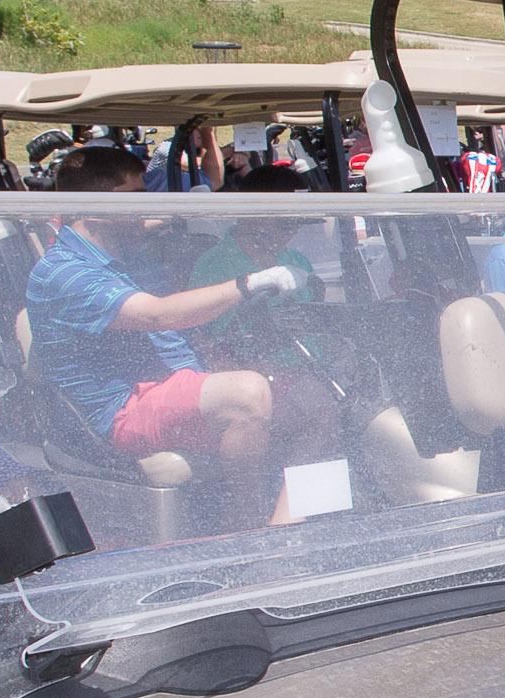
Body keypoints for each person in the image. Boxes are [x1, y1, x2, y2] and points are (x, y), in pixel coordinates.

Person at [25, 143, 317, 491]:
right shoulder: (64, 272)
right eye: (135, 197)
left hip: (166, 382)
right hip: (120, 410)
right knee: (248, 392)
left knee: (312, 397)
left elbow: (146, 228)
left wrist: (183, 211)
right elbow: (157, 317)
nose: (146, 206)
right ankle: (247, 530)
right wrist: (249, 283)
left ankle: (286, 522)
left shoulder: (120, 250)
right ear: (96, 205)